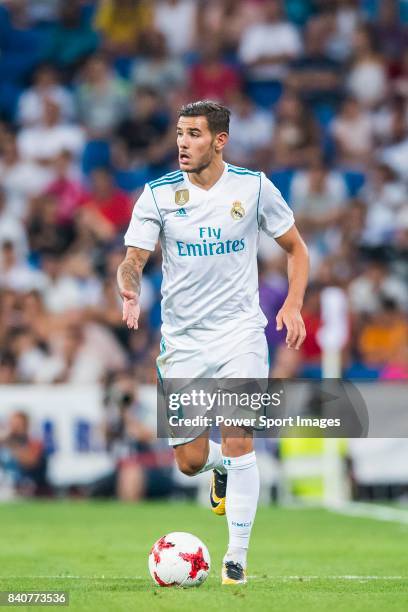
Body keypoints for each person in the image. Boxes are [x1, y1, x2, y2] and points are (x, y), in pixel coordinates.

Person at [117, 101, 309, 584]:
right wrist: (129, 284)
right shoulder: (158, 195)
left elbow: (296, 248)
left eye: (194, 134)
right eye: (180, 133)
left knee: (241, 437)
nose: (183, 142)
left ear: (219, 140)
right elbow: (134, 257)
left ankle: (236, 559)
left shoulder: (254, 187)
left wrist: (292, 304)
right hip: (183, 342)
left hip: (241, 332)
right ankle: (220, 467)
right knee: (190, 462)